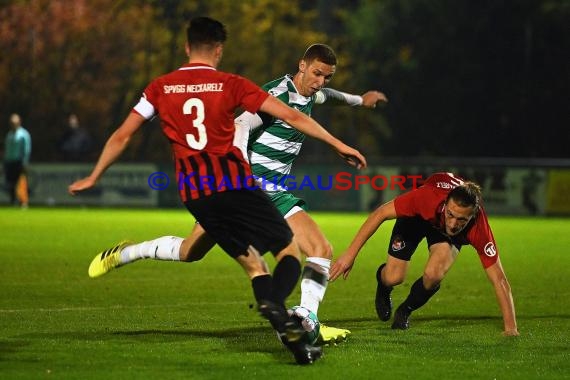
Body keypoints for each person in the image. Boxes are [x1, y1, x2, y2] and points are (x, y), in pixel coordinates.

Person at [69, 17, 367, 364]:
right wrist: (335, 144)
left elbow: (329, 97)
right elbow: (242, 124)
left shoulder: (162, 86)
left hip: (205, 190)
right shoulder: (258, 89)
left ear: (186, 47)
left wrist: (362, 100)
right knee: (316, 248)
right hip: (253, 185)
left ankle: (128, 253)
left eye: (326, 77)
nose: (320, 82)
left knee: (190, 252)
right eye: (316, 74)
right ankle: (301, 319)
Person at [329, 172, 519, 336]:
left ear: (473, 215)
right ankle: (383, 284)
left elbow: (499, 279)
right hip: (416, 219)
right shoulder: (426, 198)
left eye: (462, 219)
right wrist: (350, 254)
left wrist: (511, 328)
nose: (453, 224)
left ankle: (405, 310)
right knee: (394, 277)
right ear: (445, 203)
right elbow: (380, 213)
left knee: (434, 275)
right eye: (451, 215)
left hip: (440, 232)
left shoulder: (479, 226)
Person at [3, 113, 32, 208]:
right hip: (10, 162)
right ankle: (13, 201)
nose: (13, 124)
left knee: (21, 182)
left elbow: (26, 149)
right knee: (11, 182)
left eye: (14, 122)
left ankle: (23, 202)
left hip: (19, 162)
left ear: (19, 122)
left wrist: (25, 162)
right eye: (11, 123)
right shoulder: (9, 135)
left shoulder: (23, 134)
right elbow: (7, 149)